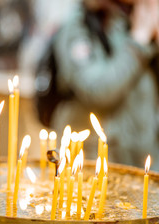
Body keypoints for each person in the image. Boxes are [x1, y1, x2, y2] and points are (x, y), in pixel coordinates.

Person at [48, 0, 159, 169]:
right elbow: (96, 90)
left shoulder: (133, 20)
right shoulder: (78, 27)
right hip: (96, 166)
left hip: (143, 160)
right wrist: (138, 42)